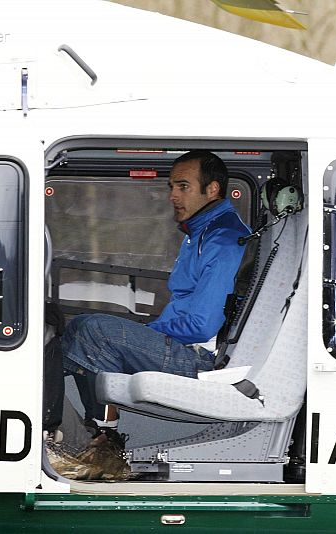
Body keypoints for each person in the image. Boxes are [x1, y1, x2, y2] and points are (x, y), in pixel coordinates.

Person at [56, 150, 250, 478]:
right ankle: (73, 428)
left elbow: (202, 324)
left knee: (93, 331)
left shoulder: (224, 239)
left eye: (183, 187)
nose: (173, 195)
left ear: (212, 189)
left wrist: (150, 331)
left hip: (201, 359)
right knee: (63, 335)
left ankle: (103, 442)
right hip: (189, 344)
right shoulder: (201, 232)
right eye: (172, 186)